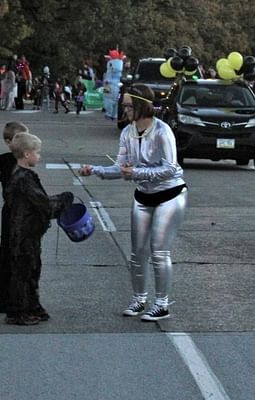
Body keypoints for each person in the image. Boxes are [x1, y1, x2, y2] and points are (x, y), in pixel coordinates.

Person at [78, 84, 188, 321]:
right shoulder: (128, 132)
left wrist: (137, 173)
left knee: (159, 251)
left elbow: (170, 168)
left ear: (141, 105)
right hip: (143, 196)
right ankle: (139, 299)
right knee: (137, 253)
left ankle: (162, 303)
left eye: (129, 105)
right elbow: (120, 167)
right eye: (124, 105)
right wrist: (94, 169)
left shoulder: (162, 131)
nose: (125, 109)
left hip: (170, 194)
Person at [3, 132, 74, 325]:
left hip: (26, 230)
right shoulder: (25, 179)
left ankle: (32, 305)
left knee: (32, 268)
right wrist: (62, 200)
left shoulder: (18, 175)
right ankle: (19, 310)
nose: (39, 156)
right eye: (37, 152)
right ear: (27, 154)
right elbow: (42, 203)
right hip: (25, 232)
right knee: (24, 271)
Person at [0, 121, 29, 314]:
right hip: (14, 214)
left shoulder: (17, 164)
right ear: (8, 141)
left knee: (11, 255)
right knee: (10, 255)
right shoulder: (12, 165)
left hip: (14, 213)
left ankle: (8, 298)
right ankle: (9, 299)